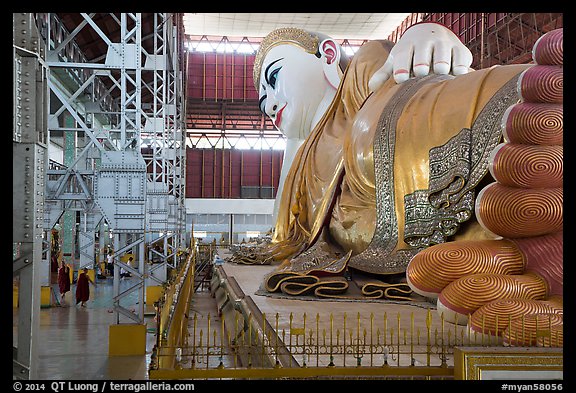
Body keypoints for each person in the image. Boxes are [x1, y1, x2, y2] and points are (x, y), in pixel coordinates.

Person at [237, 24, 562, 344]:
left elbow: (405, 76)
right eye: (262, 100)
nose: (268, 103)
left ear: (328, 55)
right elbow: (286, 233)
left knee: (368, 141)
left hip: (434, 165)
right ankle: (520, 237)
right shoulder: (304, 156)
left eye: (274, 78)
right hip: (433, 235)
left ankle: (526, 101)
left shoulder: (359, 76)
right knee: (467, 249)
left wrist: (428, 34)